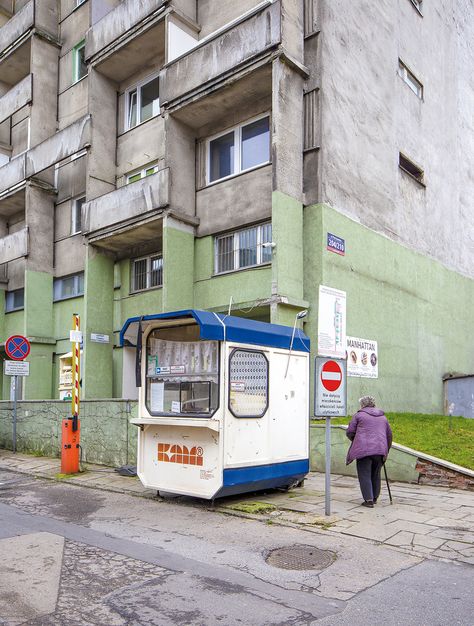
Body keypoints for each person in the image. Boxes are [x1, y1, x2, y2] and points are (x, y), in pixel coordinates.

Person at [346, 396, 392, 508]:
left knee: (364, 474)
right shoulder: (383, 418)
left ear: (362, 405)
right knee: (375, 474)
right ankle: (375, 497)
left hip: (363, 450)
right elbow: (389, 435)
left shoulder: (358, 416)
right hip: (380, 450)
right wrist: (386, 449)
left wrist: (356, 440)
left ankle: (368, 500)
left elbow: (350, 432)